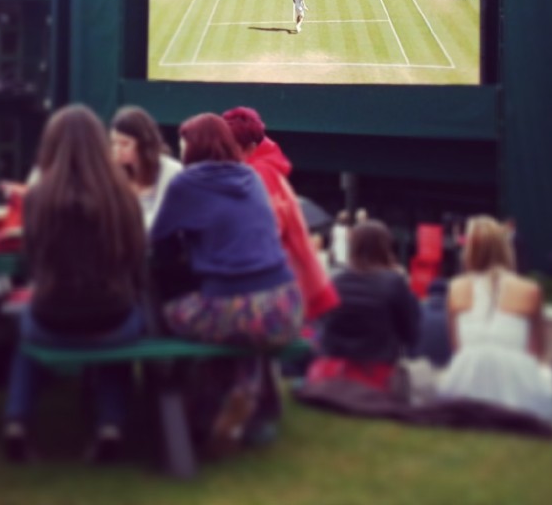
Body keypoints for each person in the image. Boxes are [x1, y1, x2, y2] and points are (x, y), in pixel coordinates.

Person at [150, 114, 302, 455]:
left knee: (170, 314)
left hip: (237, 310)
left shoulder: (185, 183)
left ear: (194, 146)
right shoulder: (251, 178)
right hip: (285, 307)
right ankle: (244, 389)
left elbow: (160, 245)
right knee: (241, 328)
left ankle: (189, 410)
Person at [3, 105, 145, 463]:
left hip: (51, 318)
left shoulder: (37, 197)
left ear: (51, 145)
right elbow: (135, 260)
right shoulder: (124, 198)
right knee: (123, 328)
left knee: (25, 328)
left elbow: (32, 261)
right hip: (113, 320)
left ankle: (17, 421)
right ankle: (110, 425)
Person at [221, 107, 338, 322]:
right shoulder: (263, 170)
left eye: (230, 148)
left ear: (251, 147)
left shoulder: (260, 174)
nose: (224, 154)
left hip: (275, 290)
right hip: (286, 284)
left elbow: (265, 232)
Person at [437, 216, 552, 424]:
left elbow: (458, 350)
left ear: (469, 252)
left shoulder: (456, 288)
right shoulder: (530, 290)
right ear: (505, 248)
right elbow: (536, 352)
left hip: (466, 384)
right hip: (519, 395)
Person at [309, 221, 420, 391]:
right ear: (386, 247)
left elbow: (321, 325)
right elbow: (412, 334)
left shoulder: (335, 281)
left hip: (330, 372)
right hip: (376, 373)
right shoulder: (394, 283)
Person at [109, 106, 182, 229]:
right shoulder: (113, 173)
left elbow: (164, 220)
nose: (117, 150)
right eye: (114, 142)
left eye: (124, 143)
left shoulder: (171, 170)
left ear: (144, 143)